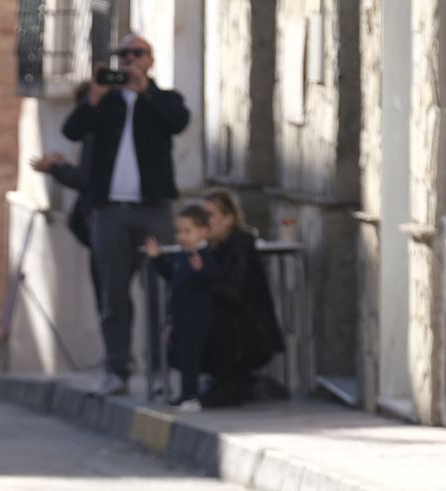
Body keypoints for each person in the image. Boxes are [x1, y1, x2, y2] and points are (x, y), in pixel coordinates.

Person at [62, 34, 191, 396]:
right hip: (109, 212)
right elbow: (71, 130)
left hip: (154, 210)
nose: (130, 60)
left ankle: (161, 368)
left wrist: (146, 91)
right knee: (113, 296)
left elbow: (178, 122)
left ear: (151, 60)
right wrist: (95, 98)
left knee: (161, 293)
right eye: (123, 54)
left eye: (138, 54)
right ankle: (117, 369)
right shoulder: (104, 102)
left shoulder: (165, 99)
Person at [198, 188, 283, 407]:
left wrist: (203, 275)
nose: (205, 222)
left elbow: (233, 293)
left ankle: (232, 383)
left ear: (228, 219)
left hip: (247, 333)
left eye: (210, 215)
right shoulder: (211, 249)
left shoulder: (240, 247)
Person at [30, 83, 104, 319]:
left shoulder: (97, 135)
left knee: (109, 295)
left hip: (103, 222)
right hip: (96, 223)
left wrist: (56, 168)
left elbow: (85, 179)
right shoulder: (91, 136)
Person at [143, 203, 217, 410]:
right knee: (181, 357)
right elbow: (171, 275)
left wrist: (201, 271)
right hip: (180, 315)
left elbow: (211, 280)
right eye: (179, 231)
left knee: (190, 358)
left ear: (204, 231)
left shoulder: (203, 256)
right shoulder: (182, 255)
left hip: (196, 316)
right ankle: (185, 394)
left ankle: (190, 396)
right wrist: (157, 258)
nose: (182, 236)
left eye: (188, 231)